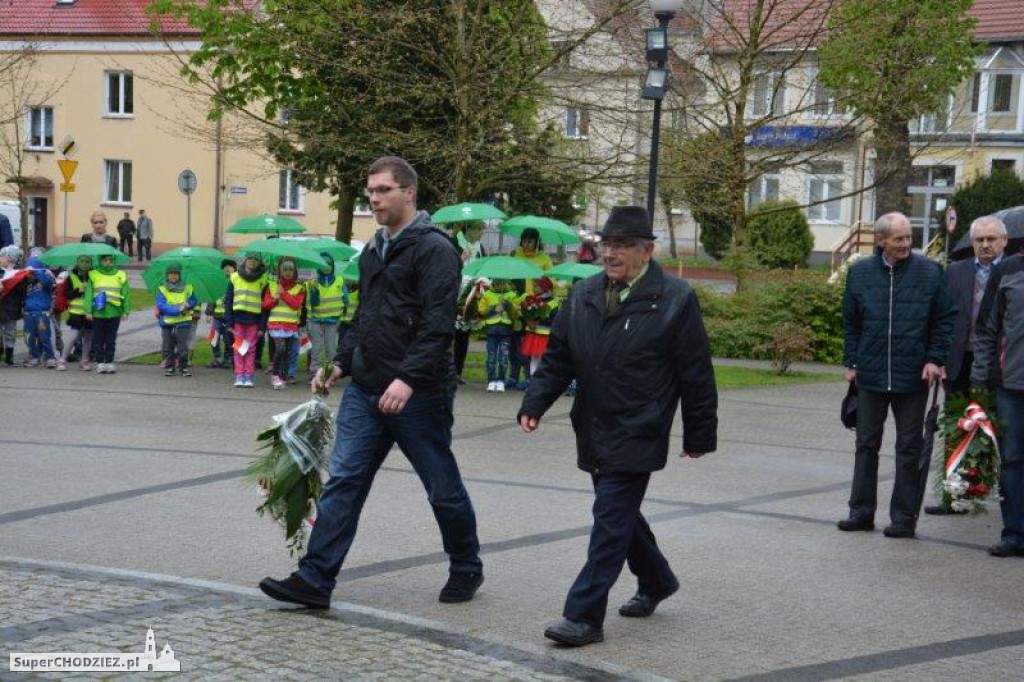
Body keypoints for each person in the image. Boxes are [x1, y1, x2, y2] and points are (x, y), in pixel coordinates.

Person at [260, 156, 483, 609]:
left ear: (409, 193)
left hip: (418, 395)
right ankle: (315, 579)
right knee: (344, 480)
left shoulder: (434, 250)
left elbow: (438, 326)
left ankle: (467, 566)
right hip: (366, 389)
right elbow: (364, 317)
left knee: (442, 487)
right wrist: (341, 362)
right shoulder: (375, 248)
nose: (374, 199)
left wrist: (408, 379)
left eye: (383, 190)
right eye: (371, 192)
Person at [517, 205, 717, 647]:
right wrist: (535, 401)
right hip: (592, 424)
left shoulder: (675, 299)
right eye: (607, 244)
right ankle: (658, 578)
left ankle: (583, 616)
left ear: (648, 251)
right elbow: (558, 358)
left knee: (609, 521)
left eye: (623, 246)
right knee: (620, 516)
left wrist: (699, 433)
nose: (611, 253)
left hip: (639, 426)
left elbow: (696, 372)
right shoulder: (584, 293)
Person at [838, 212, 955, 539]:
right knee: (866, 445)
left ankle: (903, 518)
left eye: (908, 237)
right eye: (898, 239)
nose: (906, 244)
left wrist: (935, 358)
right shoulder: (859, 273)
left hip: (913, 376)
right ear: (881, 241)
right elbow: (851, 322)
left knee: (908, 447)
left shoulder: (931, 272)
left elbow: (945, 319)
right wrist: (852, 361)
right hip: (871, 376)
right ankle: (860, 512)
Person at [925, 215, 1008, 516]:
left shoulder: (1015, 270)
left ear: (1004, 241)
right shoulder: (956, 272)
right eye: (979, 240)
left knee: (993, 426)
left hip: (999, 363)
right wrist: (937, 357)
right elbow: (942, 317)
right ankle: (955, 496)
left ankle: (988, 492)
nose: (985, 245)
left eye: (991, 239)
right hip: (959, 361)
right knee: (957, 427)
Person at [972, 248, 1024, 556]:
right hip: (1012, 385)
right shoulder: (1007, 271)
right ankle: (1014, 534)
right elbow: (987, 329)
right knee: (1013, 462)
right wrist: (980, 379)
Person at [224, 253, 268, 388]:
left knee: (251, 348)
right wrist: (229, 322)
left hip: (254, 320)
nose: (253, 262)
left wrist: (262, 327)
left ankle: (248, 376)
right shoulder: (234, 277)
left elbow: (266, 305)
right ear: (245, 260)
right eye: (250, 259)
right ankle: (239, 375)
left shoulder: (264, 279)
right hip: (238, 319)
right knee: (239, 348)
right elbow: (228, 301)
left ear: (259, 262)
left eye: (256, 260)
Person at [84, 252, 132, 374]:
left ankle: (109, 361)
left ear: (114, 261)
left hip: (115, 312)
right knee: (98, 338)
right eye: (105, 260)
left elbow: (126, 294)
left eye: (110, 260)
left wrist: (126, 310)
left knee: (111, 338)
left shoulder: (121, 275)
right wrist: (88, 310)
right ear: (100, 261)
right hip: (99, 313)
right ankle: (100, 362)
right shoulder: (93, 274)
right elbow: (88, 294)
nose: (108, 262)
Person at [263, 256, 305, 390]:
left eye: (290, 269)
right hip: (276, 324)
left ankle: (283, 377)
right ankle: (275, 375)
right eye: (285, 269)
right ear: (280, 271)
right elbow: (265, 305)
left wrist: (283, 294)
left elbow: (296, 304)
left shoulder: (300, 288)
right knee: (280, 349)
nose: (287, 272)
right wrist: (274, 299)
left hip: (290, 325)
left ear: (294, 271)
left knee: (287, 352)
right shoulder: (272, 285)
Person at [156, 262, 197, 377]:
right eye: (171, 274)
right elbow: (161, 305)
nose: (173, 276)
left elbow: (194, 300)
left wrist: (188, 304)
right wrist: (177, 310)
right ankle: (170, 366)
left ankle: (183, 366)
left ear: (179, 275)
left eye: (175, 274)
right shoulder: (162, 289)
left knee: (182, 345)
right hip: (168, 322)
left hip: (183, 321)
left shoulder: (187, 287)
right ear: (167, 275)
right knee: (168, 345)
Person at [477, 277, 518, 392]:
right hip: (492, 330)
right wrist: (494, 309)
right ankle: (491, 380)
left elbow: (515, 314)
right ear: (494, 283)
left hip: (506, 330)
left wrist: (507, 306)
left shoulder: (511, 294)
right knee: (491, 358)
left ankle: (501, 380)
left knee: (504, 358)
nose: (501, 284)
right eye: (498, 282)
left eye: (503, 282)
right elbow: (481, 312)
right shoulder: (487, 294)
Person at [306, 253, 342, 379]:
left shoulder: (339, 281)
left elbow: (346, 300)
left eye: (329, 264)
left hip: (332, 321)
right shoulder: (312, 282)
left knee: (331, 350)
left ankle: (328, 373)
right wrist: (314, 291)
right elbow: (313, 302)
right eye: (323, 264)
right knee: (316, 349)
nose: (326, 267)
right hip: (316, 320)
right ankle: (314, 373)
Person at [22, 248, 57, 368]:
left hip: (42, 313)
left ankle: (50, 357)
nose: (30, 274)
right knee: (28, 338)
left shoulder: (46, 276)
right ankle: (34, 356)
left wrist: (38, 271)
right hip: (28, 314)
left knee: (44, 337)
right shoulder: (25, 280)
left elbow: (50, 284)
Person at [60, 255, 94, 371]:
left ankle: (84, 360)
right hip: (76, 312)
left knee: (88, 336)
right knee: (73, 336)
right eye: (82, 261)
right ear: (77, 262)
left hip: (90, 311)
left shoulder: (94, 276)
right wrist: (78, 291)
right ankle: (62, 359)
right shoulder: (71, 277)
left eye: (87, 262)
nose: (84, 264)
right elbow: (66, 294)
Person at [205, 259, 236, 369]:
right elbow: (212, 297)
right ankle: (217, 358)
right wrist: (209, 312)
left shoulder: (236, 281)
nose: (227, 268)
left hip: (229, 317)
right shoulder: (217, 282)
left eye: (230, 266)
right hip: (217, 316)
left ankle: (227, 359)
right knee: (214, 338)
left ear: (234, 269)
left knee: (228, 339)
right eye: (225, 266)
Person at [0, 245, 27, 367]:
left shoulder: (19, 275)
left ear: (10, 258)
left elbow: (22, 291)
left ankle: (9, 356)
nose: (0, 258)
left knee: (10, 331)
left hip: (12, 307)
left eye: (2, 256)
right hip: (1, 306)